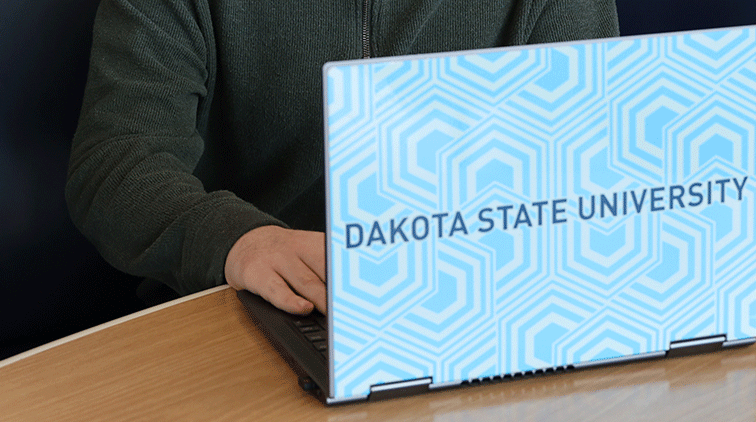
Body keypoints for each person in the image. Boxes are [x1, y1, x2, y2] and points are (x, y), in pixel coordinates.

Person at [66, 0, 619, 315]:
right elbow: (117, 163)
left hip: (490, 302)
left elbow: (595, 163)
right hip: (250, 311)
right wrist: (240, 241)